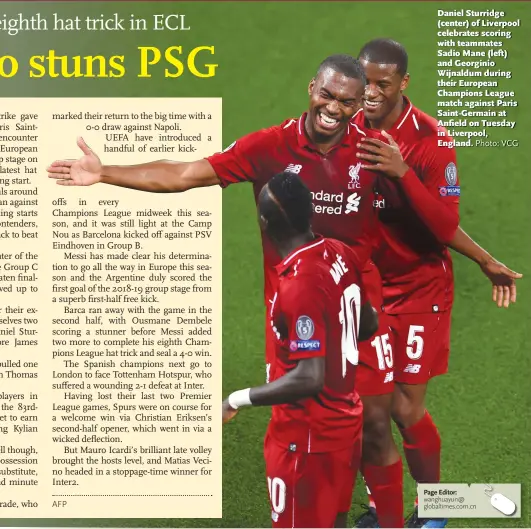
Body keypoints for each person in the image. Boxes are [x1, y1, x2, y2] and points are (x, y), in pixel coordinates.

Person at [47, 52, 519, 528]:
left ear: (361, 104)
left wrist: (477, 257)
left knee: (379, 424)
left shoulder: (376, 150)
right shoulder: (270, 146)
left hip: (360, 314)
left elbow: (433, 223)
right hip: (296, 315)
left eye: (347, 102)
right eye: (327, 95)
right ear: (312, 87)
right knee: (309, 440)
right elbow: (187, 174)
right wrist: (106, 172)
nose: (334, 108)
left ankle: (419, 514)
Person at [351, 38, 523, 529]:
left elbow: (442, 223)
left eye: (384, 84)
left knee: (406, 408)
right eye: (366, 82)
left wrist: (403, 174)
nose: (372, 93)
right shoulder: (346, 125)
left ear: (404, 83)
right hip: (366, 290)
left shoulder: (430, 139)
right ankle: (380, 509)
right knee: (370, 410)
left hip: (419, 288)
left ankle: (436, 508)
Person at [221, 171, 379, 528]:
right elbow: (368, 323)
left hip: (305, 438)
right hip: (344, 423)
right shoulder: (340, 252)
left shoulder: (299, 285)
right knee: (334, 521)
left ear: (264, 222)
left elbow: (309, 377)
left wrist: (235, 399)